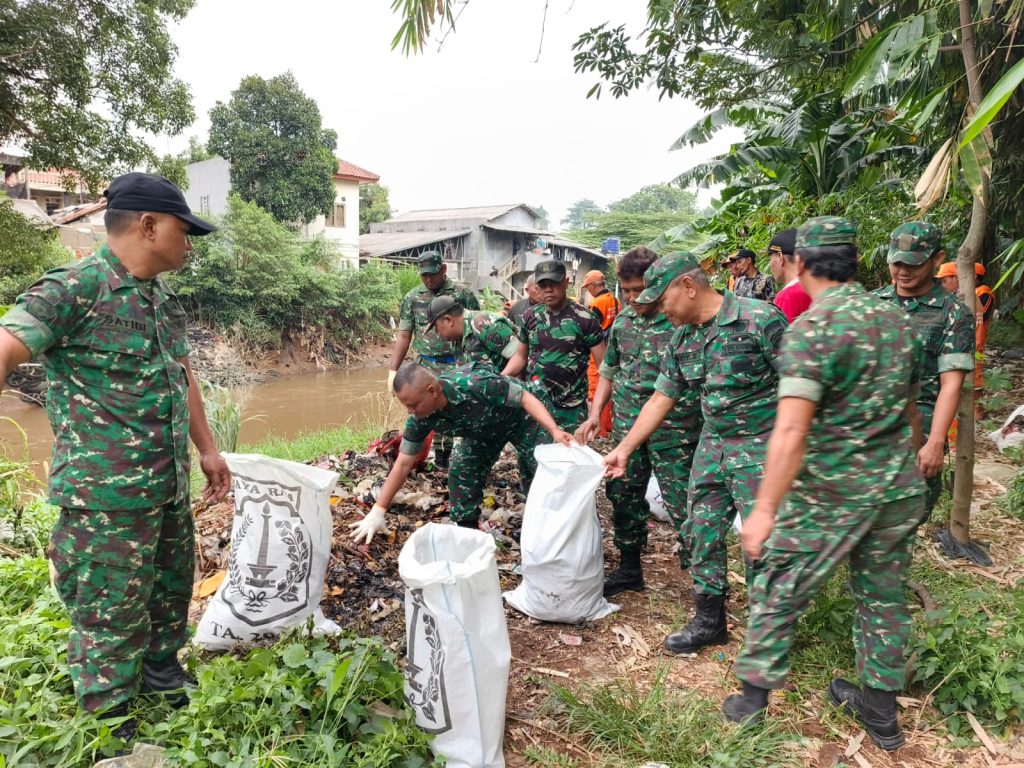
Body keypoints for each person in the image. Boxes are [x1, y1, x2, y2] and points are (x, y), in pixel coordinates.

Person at [0, 172, 231, 739]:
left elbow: (182, 374)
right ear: (149, 225)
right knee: (108, 604)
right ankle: (109, 715)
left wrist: (208, 449)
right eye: (185, 229)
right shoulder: (74, 288)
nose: (190, 242)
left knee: (169, 586)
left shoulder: (160, 298)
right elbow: (5, 348)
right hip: (105, 493)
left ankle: (160, 673)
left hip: (166, 484)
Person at [722, 217, 925, 753]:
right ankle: (881, 715)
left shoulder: (814, 329)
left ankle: (750, 701)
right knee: (882, 597)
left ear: (801, 264)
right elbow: (909, 411)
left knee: (778, 584)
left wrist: (764, 510)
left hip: (835, 491)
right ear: (857, 262)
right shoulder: (896, 320)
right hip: (898, 488)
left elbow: (790, 429)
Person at [605, 251, 787, 654]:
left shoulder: (760, 320)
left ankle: (768, 632)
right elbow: (660, 398)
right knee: (700, 531)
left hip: (761, 449)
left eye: (662, 297)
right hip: (712, 445)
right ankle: (710, 619)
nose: (656, 306)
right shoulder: (683, 337)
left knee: (763, 543)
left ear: (688, 286)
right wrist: (623, 449)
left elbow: (801, 385)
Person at [576, 249, 702, 597]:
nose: (632, 298)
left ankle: (703, 583)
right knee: (624, 495)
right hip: (628, 428)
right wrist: (594, 414)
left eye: (638, 290)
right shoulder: (623, 324)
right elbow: (609, 372)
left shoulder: (680, 321)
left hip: (675, 431)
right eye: (626, 290)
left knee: (684, 503)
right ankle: (630, 567)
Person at [348, 364, 572, 541]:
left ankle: (554, 532)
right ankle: (467, 534)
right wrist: (378, 510)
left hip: (522, 419)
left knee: (542, 473)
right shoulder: (420, 419)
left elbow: (525, 398)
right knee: (462, 471)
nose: (410, 411)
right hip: (481, 432)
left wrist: (554, 429)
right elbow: (403, 464)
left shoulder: (474, 384)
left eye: (413, 404)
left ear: (432, 391)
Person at [874, 223, 973, 521]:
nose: (903, 270)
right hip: (868, 424)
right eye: (897, 262)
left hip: (919, 426)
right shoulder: (871, 304)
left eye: (913, 263)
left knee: (905, 517)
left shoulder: (952, 314)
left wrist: (934, 442)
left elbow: (951, 384)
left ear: (937, 259)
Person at [388, 251, 480, 469]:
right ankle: (422, 455)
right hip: (426, 365)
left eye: (433, 274)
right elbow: (404, 334)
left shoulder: (462, 294)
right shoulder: (412, 297)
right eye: (424, 275)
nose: (428, 279)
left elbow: (475, 325)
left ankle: (450, 455)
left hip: (456, 363)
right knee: (424, 410)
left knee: (456, 409)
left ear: (443, 269)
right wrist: (393, 370)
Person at [512, 260, 607, 430]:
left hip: (571, 408)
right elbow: (520, 356)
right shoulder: (530, 316)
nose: (548, 289)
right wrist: (500, 377)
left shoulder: (585, 318)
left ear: (566, 282)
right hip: (536, 405)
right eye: (543, 285)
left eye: (554, 283)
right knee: (532, 455)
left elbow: (605, 368)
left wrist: (595, 413)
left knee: (568, 455)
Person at [937, 261, 995, 393]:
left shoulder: (982, 291)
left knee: (974, 373)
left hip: (973, 340)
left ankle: (977, 406)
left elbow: (981, 313)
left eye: (944, 280)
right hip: (958, 344)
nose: (942, 284)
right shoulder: (955, 294)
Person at [425, 295, 522, 373]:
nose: (437, 333)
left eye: (436, 328)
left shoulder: (484, 325)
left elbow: (520, 356)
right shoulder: (456, 339)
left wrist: (500, 383)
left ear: (448, 320)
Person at [581, 268, 621, 437]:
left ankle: (600, 430)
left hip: (597, 350)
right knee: (609, 386)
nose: (588, 291)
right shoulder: (614, 299)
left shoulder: (597, 303)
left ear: (593, 286)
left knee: (596, 389)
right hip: (611, 347)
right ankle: (608, 425)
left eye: (588, 287)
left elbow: (592, 329)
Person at [768, 229, 812, 322]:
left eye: (770, 258)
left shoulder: (787, 297)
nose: (770, 264)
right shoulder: (817, 287)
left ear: (780, 257)